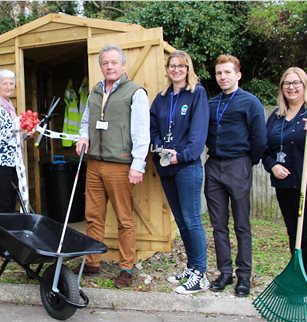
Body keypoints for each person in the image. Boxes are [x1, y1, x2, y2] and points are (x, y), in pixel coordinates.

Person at [75, 44, 150, 289]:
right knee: (93, 216)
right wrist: (82, 137)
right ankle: (92, 262)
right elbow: (86, 120)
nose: (109, 66)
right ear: (100, 66)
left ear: (123, 65)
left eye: (114, 62)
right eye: (105, 63)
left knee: (124, 219)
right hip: (94, 162)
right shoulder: (95, 91)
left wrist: (137, 164)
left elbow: (141, 131)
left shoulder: (135, 92)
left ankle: (126, 267)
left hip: (120, 164)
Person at [262, 67, 307, 297]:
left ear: (305, 86)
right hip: (284, 184)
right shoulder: (276, 116)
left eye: (296, 83)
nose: (291, 87)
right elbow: (265, 149)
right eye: (287, 83)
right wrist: (272, 165)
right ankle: (298, 278)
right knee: (293, 233)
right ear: (282, 88)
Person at [205, 54, 266, 297]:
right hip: (214, 166)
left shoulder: (250, 102)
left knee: (242, 224)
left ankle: (244, 276)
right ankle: (225, 273)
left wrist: (247, 161)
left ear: (238, 75)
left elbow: (259, 139)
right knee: (218, 224)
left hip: (238, 164)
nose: (222, 77)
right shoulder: (211, 103)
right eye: (219, 73)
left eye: (227, 72)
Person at [149, 50, 210, 294]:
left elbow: (198, 134)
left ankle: (201, 274)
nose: (176, 70)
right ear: (167, 69)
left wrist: (182, 155)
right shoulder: (162, 97)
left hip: (186, 166)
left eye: (181, 66)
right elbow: (152, 125)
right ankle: (192, 267)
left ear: (188, 69)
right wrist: (157, 146)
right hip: (166, 167)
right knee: (181, 221)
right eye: (172, 66)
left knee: (192, 219)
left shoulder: (197, 94)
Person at [0, 69, 32, 257]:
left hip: (12, 162)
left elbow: (13, 135)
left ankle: (8, 244)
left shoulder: (9, 106)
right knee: (2, 205)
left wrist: (25, 133)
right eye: (5, 83)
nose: (9, 86)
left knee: (11, 203)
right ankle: (0, 247)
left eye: (11, 83)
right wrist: (18, 128)